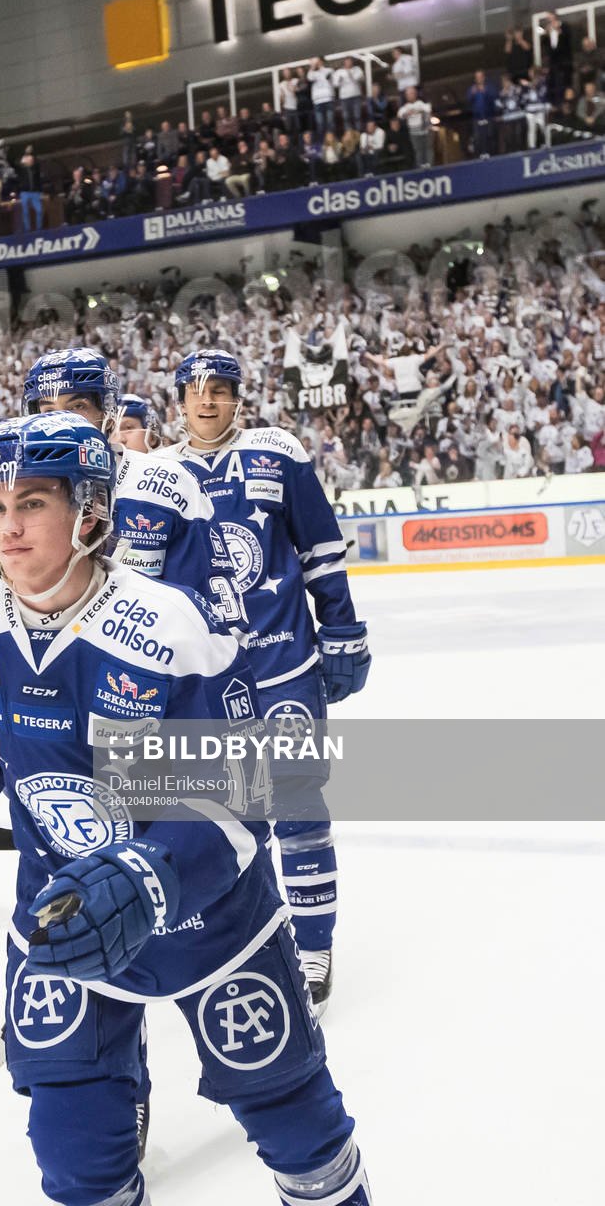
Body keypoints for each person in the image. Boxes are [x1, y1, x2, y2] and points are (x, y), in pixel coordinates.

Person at [0, 412, 372, 1206]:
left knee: (299, 1134)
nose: (8, 529)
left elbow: (235, 797)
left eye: (33, 504)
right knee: (76, 1158)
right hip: (62, 916)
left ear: (91, 514)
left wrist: (153, 874)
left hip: (207, 926)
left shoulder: (165, 630)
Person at [160, 350, 372, 1012]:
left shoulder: (275, 453)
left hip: (285, 668)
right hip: (207, 682)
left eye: (220, 390)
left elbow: (320, 548)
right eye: (196, 392)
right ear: (178, 401)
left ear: (237, 398)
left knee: (298, 808)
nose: (207, 402)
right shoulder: (158, 477)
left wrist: (339, 626)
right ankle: (252, 940)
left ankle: (313, 944)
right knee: (222, 817)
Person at [21, 348, 243, 626]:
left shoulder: (167, 482)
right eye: (48, 412)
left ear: (107, 412)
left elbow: (210, 615)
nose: (60, 425)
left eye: (77, 408)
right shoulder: (12, 497)